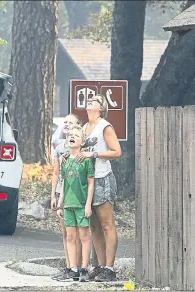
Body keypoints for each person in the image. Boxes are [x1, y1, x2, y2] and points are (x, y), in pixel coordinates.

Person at [64, 94, 122, 282]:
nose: (90, 101)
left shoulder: (105, 127)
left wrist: (94, 154)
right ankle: (100, 266)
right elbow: (78, 148)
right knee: (94, 226)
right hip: (86, 180)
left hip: (102, 178)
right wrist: (68, 155)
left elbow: (117, 152)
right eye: (89, 100)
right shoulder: (84, 128)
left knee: (107, 224)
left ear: (101, 107)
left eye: (94, 100)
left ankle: (110, 268)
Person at [56, 125, 95, 282]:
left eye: (76, 135)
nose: (71, 136)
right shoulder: (64, 160)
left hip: (81, 204)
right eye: (69, 135)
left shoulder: (86, 161)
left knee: (84, 236)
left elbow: (91, 183)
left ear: (82, 141)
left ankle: (84, 268)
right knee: (70, 236)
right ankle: (73, 269)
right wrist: (60, 203)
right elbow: (64, 182)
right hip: (68, 205)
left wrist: (88, 205)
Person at [51, 114, 83, 281]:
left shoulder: (80, 148)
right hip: (61, 191)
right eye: (65, 123)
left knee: (77, 233)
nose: (66, 125)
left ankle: (77, 267)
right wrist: (53, 196)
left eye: (70, 123)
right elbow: (56, 173)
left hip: (76, 193)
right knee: (65, 232)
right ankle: (69, 266)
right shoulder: (59, 148)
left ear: (78, 126)